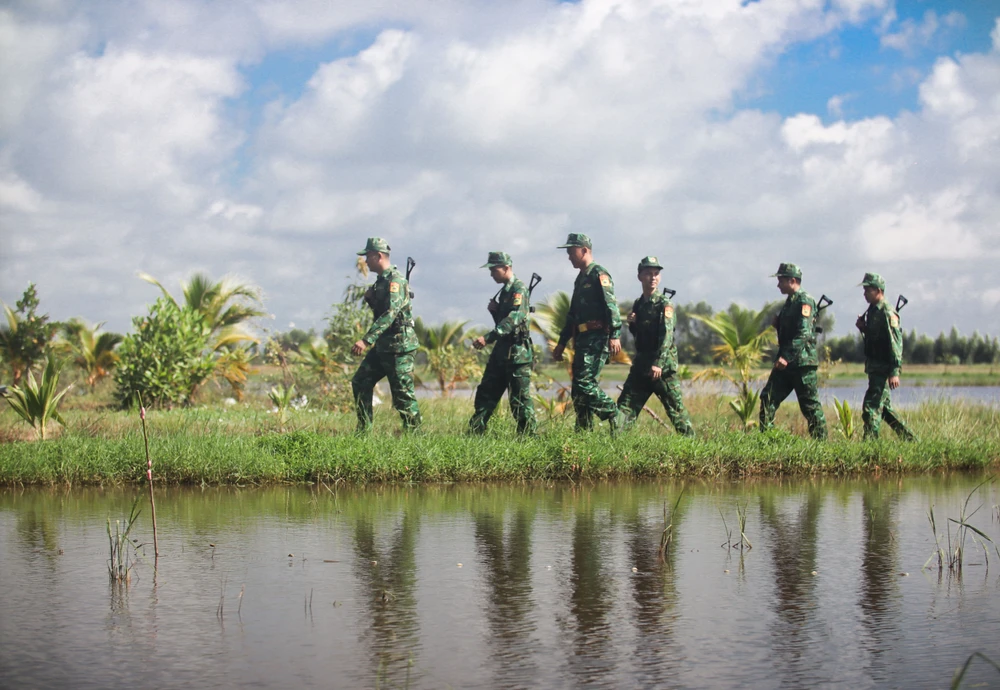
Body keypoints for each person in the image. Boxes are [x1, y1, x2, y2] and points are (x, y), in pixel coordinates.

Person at [551, 233, 626, 433]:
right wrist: (561, 343)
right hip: (582, 339)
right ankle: (583, 433)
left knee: (584, 384)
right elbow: (572, 315)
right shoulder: (580, 278)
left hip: (597, 337)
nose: (568, 256)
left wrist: (615, 334)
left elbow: (612, 306)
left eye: (571, 251)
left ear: (584, 250)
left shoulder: (599, 274)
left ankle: (614, 413)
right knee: (578, 390)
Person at [617, 256, 695, 436]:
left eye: (656, 274)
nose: (653, 278)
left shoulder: (664, 304)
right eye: (648, 274)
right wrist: (632, 324)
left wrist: (658, 363)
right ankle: (616, 448)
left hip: (663, 369)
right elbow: (641, 337)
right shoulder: (639, 304)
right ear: (639, 277)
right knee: (624, 409)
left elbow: (667, 336)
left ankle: (692, 447)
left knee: (677, 413)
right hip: (642, 367)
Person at [350, 237, 422, 432]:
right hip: (384, 346)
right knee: (360, 381)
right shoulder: (380, 282)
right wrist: (371, 301)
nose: (365, 261)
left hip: (400, 346)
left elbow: (390, 314)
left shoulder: (395, 281)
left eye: (368, 257)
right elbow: (383, 311)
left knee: (403, 396)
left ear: (378, 256)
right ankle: (363, 431)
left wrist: (366, 340)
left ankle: (415, 436)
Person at [468, 252, 538, 435]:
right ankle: (476, 431)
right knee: (486, 391)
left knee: (519, 399)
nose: (491, 274)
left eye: (494, 269)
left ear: (506, 268)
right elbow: (503, 320)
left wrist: (488, 338)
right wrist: (495, 311)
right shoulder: (505, 291)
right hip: (501, 351)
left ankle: (528, 437)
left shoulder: (519, 289)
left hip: (517, 353)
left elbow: (514, 319)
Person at [759, 262, 828, 440]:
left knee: (810, 406)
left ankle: (821, 445)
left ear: (792, 280)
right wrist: (778, 325)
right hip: (786, 364)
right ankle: (768, 441)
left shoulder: (804, 301)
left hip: (801, 364)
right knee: (768, 399)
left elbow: (803, 333)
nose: (778, 284)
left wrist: (786, 357)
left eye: (781, 280)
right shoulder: (790, 302)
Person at [855, 272, 916, 441]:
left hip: (883, 368)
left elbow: (895, 343)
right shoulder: (873, 311)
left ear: (879, 290)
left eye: (868, 289)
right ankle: (911, 441)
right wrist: (864, 328)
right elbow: (876, 339)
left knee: (871, 407)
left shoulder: (887, 312)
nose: (865, 293)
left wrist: (894, 371)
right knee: (886, 410)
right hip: (875, 367)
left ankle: (870, 446)